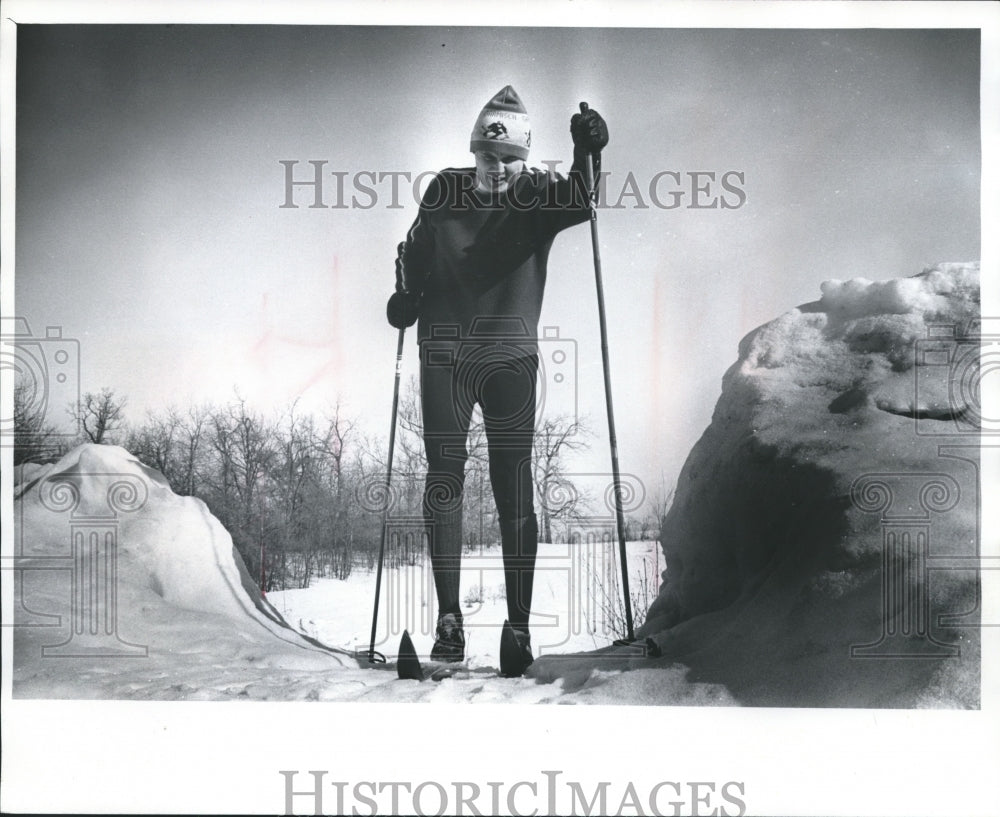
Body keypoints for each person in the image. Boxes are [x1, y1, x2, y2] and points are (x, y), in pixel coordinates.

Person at [386, 85, 608, 677]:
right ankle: (450, 623)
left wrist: (588, 150)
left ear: (527, 159)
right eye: (490, 156)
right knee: (443, 479)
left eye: (511, 159)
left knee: (513, 482)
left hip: (510, 357)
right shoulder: (443, 190)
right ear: (474, 151)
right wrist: (406, 293)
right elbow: (415, 249)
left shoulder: (538, 192)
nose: (500, 169)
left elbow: (585, 202)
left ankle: (518, 625)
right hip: (446, 356)